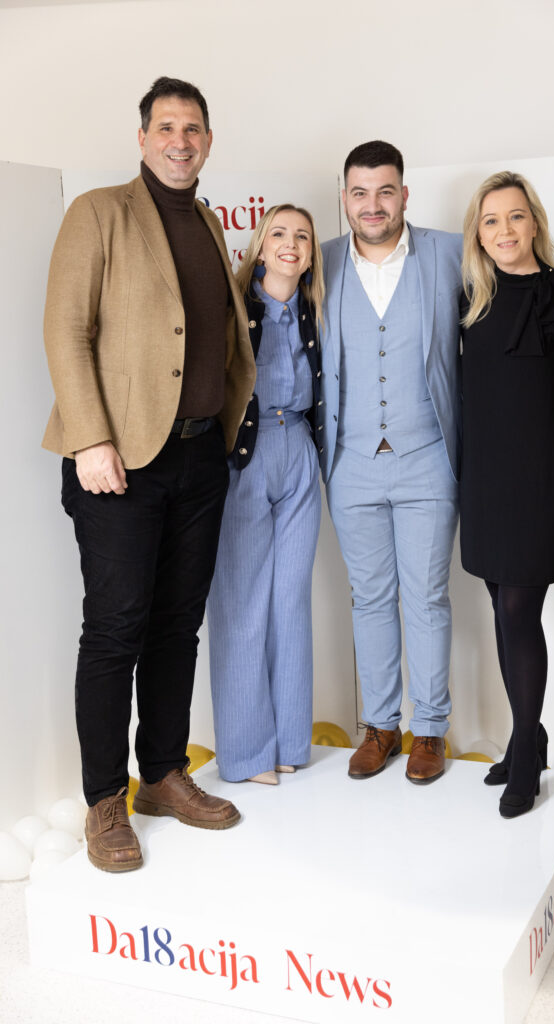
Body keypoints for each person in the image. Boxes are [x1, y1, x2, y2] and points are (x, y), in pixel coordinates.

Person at [42, 76, 256, 871]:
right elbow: (65, 329)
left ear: (208, 141)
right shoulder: (99, 212)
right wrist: (91, 439)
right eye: (165, 127)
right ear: (142, 139)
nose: (179, 140)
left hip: (199, 456)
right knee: (115, 628)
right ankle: (105, 800)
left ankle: (163, 772)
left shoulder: (205, 220)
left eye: (192, 128)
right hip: (118, 462)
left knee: (176, 624)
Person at [460, 170, 554, 818]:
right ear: (478, 233)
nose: (503, 231)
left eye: (515, 216)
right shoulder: (471, 301)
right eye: (490, 220)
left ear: (535, 223)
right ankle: (531, 734)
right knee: (501, 607)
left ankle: (525, 749)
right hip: (485, 483)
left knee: (520, 611)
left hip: (542, 483)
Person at [320, 141, 463, 784]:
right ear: (345, 198)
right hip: (350, 462)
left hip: (427, 456)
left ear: (404, 194)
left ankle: (429, 727)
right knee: (370, 597)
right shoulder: (320, 260)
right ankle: (380, 726)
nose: (372, 205)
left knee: (427, 595)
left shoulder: (450, 252)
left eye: (385, 191)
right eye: (360, 193)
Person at [207, 205, 324, 785]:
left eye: (301, 235)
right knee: (241, 604)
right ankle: (246, 752)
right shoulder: (235, 307)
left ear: (311, 252)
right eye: (278, 232)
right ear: (259, 245)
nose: (290, 243)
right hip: (246, 456)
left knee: (291, 600)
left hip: (299, 448)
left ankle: (290, 742)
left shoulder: (314, 309)